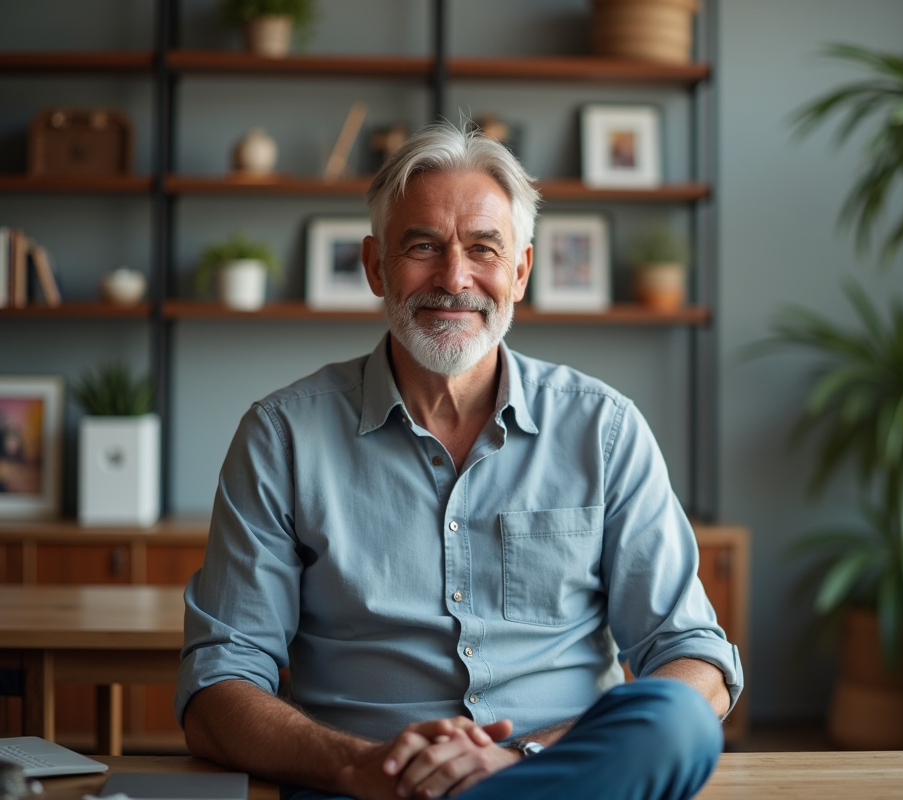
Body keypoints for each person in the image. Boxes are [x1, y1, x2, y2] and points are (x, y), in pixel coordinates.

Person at [175, 122, 743, 800]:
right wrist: (360, 764)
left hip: (565, 778)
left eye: (483, 248)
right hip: (371, 786)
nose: (454, 278)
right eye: (422, 247)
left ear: (522, 271)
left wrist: (523, 760)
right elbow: (217, 688)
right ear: (376, 267)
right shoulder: (280, 437)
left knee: (679, 716)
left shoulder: (604, 429)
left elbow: (696, 658)